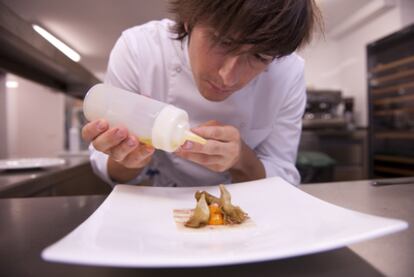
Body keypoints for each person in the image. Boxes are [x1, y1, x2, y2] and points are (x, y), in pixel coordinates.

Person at [82, 0, 321, 187]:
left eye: (259, 57)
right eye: (222, 41)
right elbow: (109, 169)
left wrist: (240, 160)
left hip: (247, 208)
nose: (228, 77)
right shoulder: (140, 50)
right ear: (190, 20)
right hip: (166, 198)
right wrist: (130, 158)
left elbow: (283, 177)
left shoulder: (288, 73)